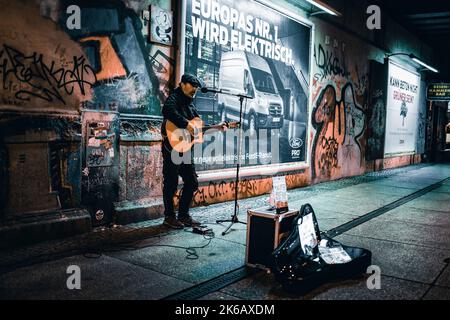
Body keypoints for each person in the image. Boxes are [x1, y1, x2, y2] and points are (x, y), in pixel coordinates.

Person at [160, 74, 226, 229]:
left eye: (196, 87)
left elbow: (199, 129)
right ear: (182, 84)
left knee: (192, 182)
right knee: (171, 183)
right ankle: (169, 217)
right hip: (172, 148)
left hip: (186, 149)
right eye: (192, 86)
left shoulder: (191, 105)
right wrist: (186, 124)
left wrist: (217, 127)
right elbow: (167, 111)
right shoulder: (174, 98)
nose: (195, 90)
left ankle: (183, 215)